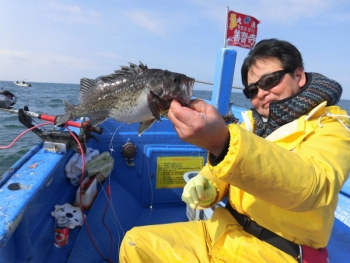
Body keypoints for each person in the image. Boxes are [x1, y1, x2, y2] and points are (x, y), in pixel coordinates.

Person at [119, 39, 350, 263]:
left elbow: (314, 186)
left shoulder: (331, 126)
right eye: (252, 90)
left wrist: (223, 142)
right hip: (222, 232)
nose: (261, 93)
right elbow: (223, 169)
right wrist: (209, 185)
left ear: (299, 76)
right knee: (134, 243)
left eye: (270, 80)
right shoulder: (251, 124)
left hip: (276, 251)